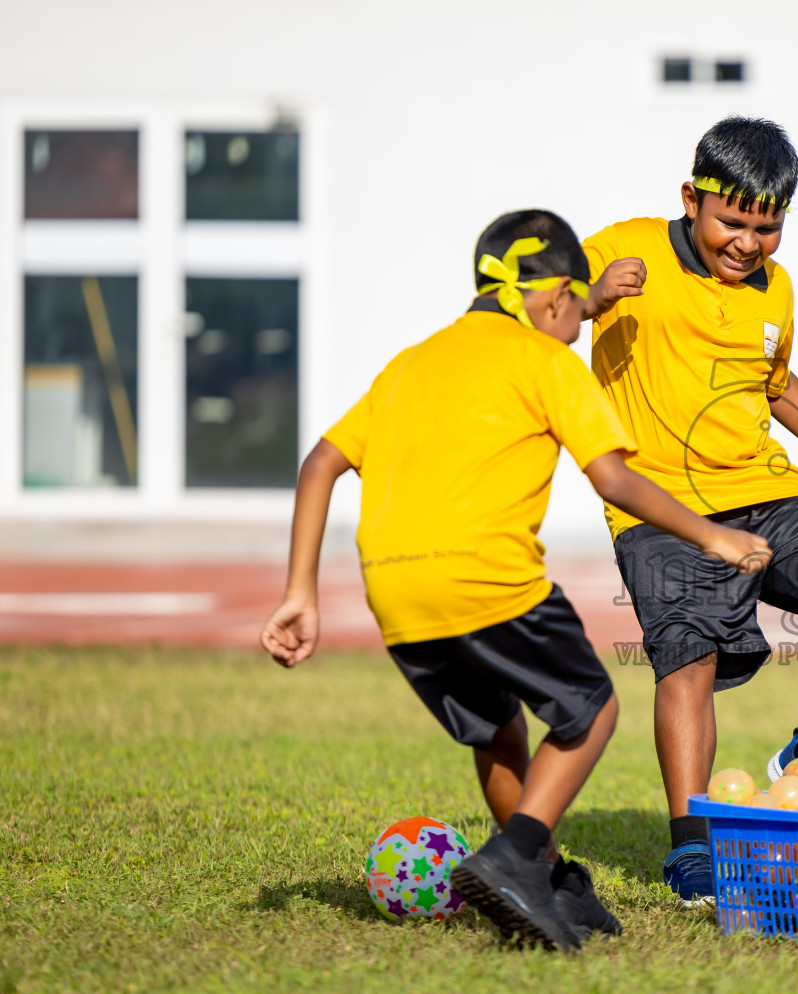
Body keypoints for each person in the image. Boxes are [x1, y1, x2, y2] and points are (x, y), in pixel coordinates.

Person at [258, 210, 769, 951]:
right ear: (557, 296)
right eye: (577, 308)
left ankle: (548, 878)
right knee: (589, 712)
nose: (576, 326)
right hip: (486, 577)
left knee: (497, 729)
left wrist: (300, 593)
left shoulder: (411, 363)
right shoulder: (544, 359)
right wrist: (713, 533)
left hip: (396, 596)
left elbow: (320, 464)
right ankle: (516, 857)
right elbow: (615, 479)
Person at [578, 116, 798, 904]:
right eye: (733, 222)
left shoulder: (776, 288)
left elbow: (775, 381)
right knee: (687, 657)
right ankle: (692, 848)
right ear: (691, 199)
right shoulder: (624, 246)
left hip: (767, 488)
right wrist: (592, 297)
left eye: (769, 227)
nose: (749, 244)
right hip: (661, 506)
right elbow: (535, 310)